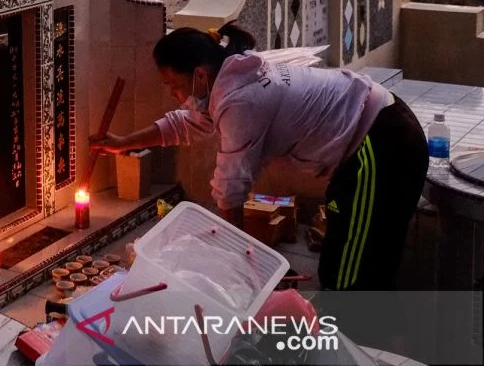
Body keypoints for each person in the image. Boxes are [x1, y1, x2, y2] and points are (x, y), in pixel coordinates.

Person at [91, 22, 428, 290]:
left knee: (352, 280)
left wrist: (239, 261)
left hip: (382, 143)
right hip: (370, 136)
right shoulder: (229, 78)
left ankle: (362, 349)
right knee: (339, 266)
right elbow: (183, 124)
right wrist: (122, 143)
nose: (173, 94)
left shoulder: (241, 100)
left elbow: (231, 186)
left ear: (200, 75)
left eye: (173, 84)